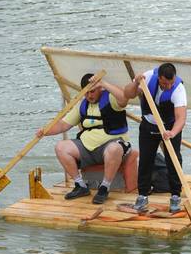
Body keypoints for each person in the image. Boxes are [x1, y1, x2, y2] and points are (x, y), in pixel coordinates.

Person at [36, 73, 132, 204]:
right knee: (61, 147)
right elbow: (63, 125)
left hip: (111, 145)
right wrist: (45, 131)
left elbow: (124, 98)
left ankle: (104, 187)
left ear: (100, 89)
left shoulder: (111, 99)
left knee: (114, 148)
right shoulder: (82, 104)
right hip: (87, 147)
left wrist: (103, 83)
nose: (89, 96)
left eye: (92, 92)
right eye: (86, 93)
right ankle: (80, 185)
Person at [124, 63, 187, 213]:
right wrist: (135, 83)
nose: (168, 86)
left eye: (170, 83)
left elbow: (181, 118)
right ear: (159, 78)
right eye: (165, 83)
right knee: (146, 160)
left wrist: (173, 132)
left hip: (169, 127)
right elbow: (128, 94)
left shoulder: (178, 89)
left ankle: (175, 196)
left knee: (174, 160)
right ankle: (143, 196)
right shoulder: (148, 77)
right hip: (149, 125)